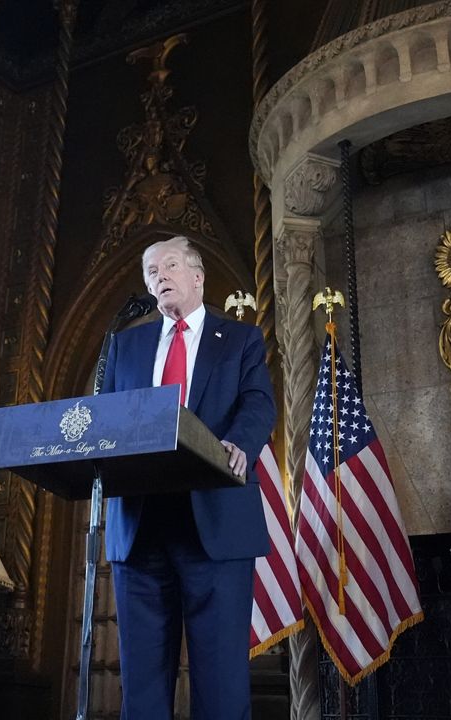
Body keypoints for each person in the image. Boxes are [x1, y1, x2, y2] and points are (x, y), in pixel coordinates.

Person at [101, 235, 276, 720]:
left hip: (215, 519)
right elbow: (109, 416)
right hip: (140, 524)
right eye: (150, 272)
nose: (159, 276)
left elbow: (258, 402)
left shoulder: (240, 339)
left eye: (169, 266)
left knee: (220, 681)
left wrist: (239, 443)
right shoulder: (125, 343)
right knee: (141, 685)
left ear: (197, 277)